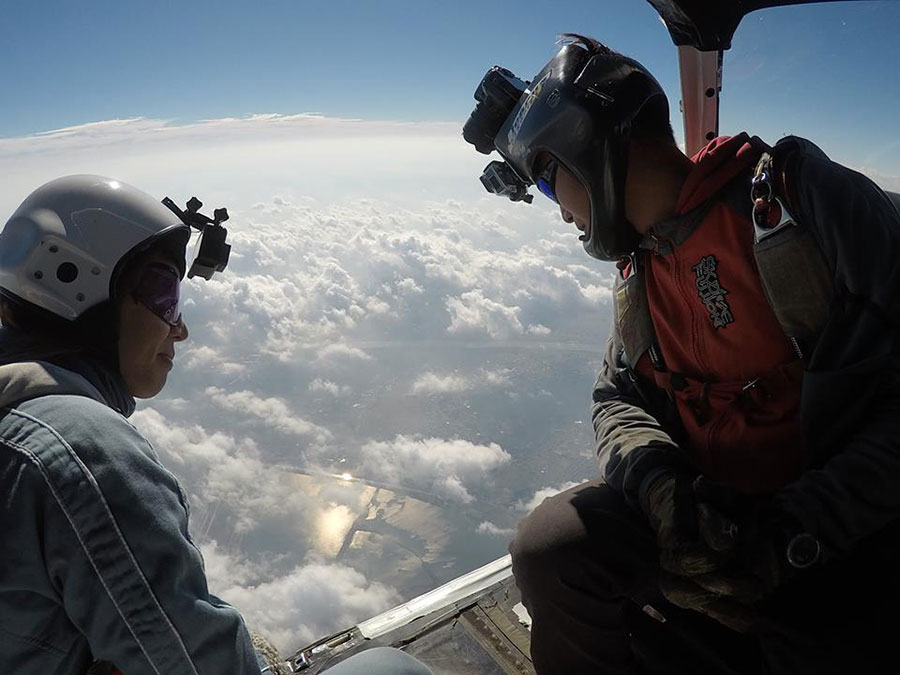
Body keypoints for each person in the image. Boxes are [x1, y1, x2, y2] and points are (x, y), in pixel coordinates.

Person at [463, 35, 900, 674]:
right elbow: (616, 399)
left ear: (590, 149)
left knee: (827, 638)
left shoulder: (798, 207)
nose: (561, 218)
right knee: (551, 549)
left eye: (552, 188)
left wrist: (793, 533)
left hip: (839, 535)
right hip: (710, 526)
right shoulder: (641, 271)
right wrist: (660, 489)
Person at [0, 175, 433, 675]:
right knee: (390, 668)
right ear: (78, 284)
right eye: (164, 294)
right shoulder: (83, 454)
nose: (179, 327)